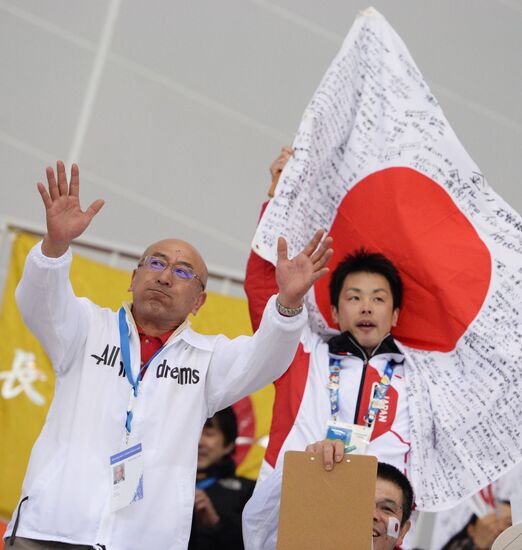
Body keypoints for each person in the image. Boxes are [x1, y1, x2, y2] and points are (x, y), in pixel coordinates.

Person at [4, 161, 333, 550]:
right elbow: (38, 302)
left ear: (199, 302)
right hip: (51, 530)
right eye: (156, 263)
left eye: (182, 272)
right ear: (133, 279)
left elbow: (268, 357)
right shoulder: (86, 328)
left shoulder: (207, 358)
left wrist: (289, 302)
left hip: (141, 540)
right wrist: (55, 246)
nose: (164, 276)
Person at [242, 149, 411, 549]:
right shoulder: (304, 353)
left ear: (397, 313)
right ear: (334, 310)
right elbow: (265, 292)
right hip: (292, 522)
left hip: (377, 531)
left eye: (378, 298)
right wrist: (278, 197)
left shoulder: (419, 378)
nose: (366, 306)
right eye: (354, 297)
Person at [188, 407, 254, 549]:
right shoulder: (162, 488)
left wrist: (216, 523)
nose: (199, 442)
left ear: (228, 445)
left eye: (209, 433)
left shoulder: (249, 492)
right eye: (194, 432)